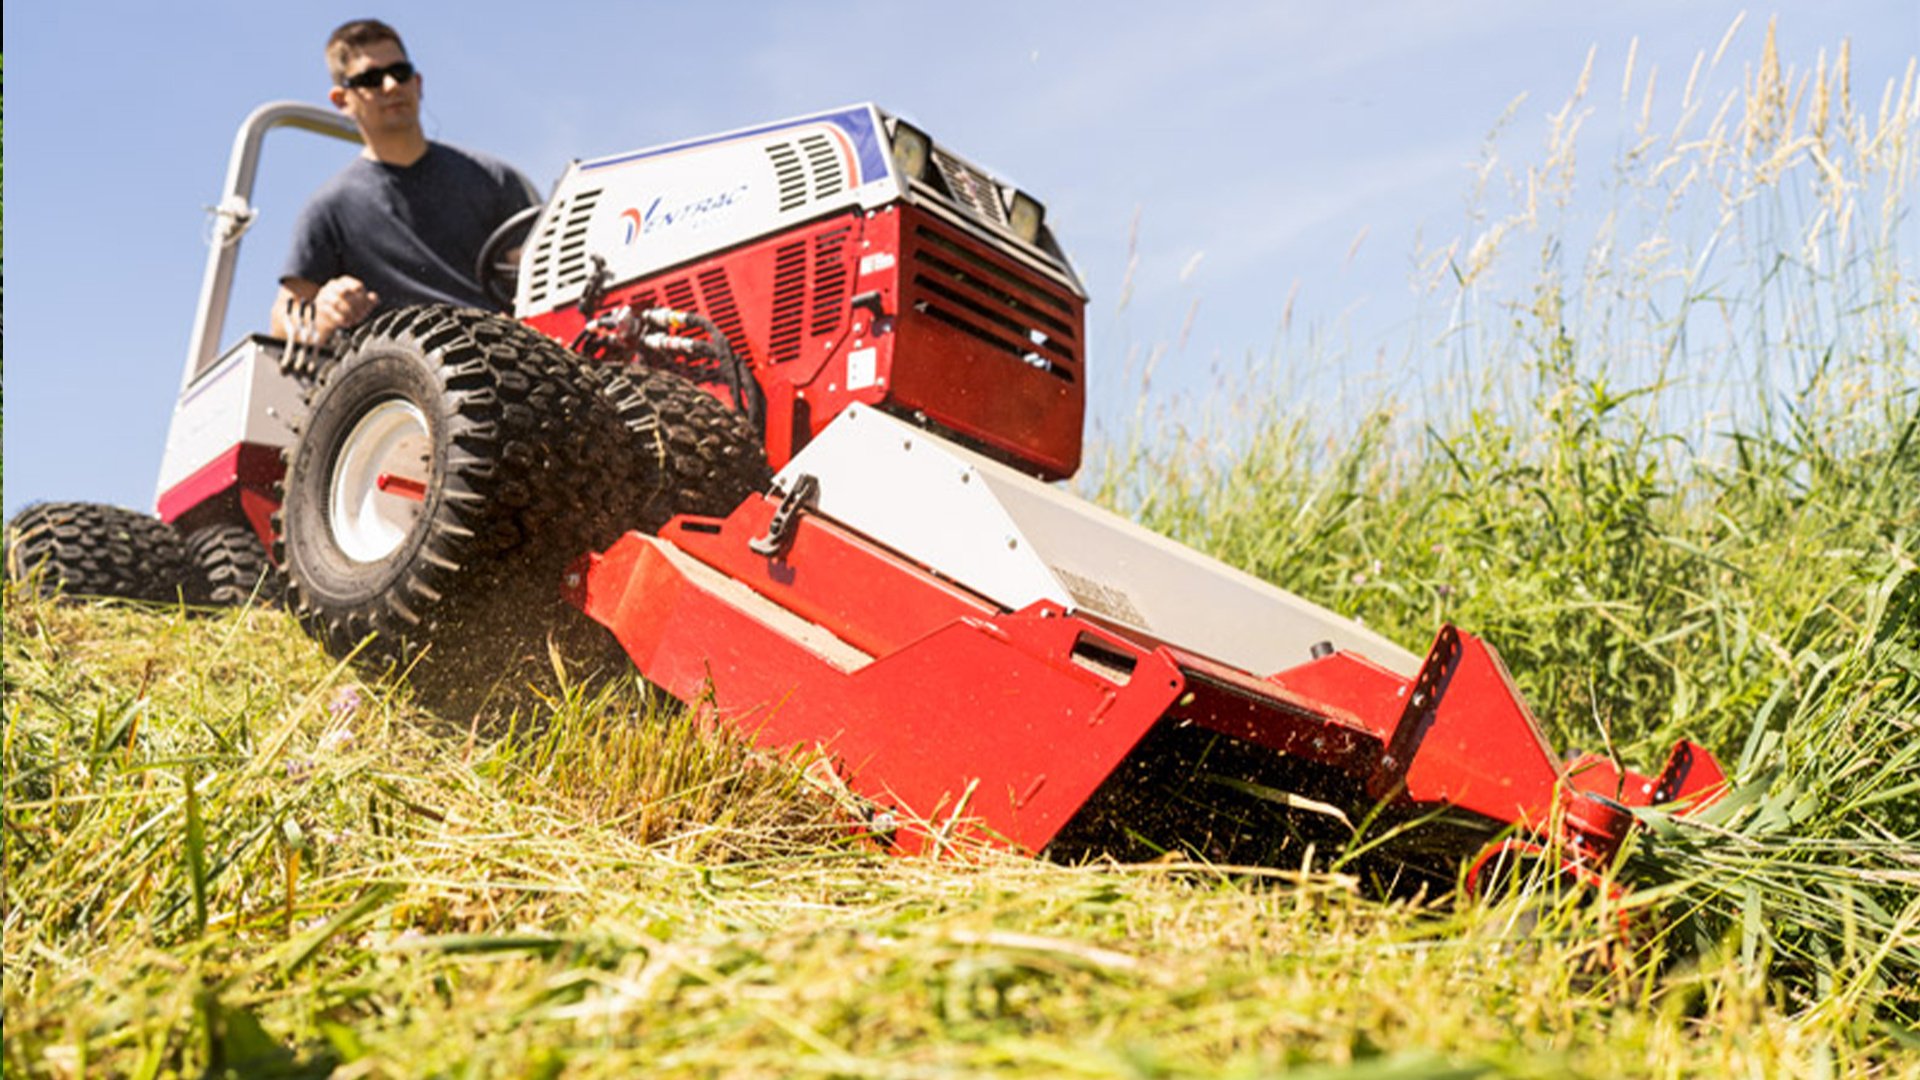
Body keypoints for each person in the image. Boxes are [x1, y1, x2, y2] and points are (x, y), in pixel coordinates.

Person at [271, 19, 539, 344]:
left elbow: (534, 280)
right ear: (342, 100)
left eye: (400, 73)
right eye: (371, 79)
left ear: (418, 82)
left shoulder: (493, 177)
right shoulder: (329, 209)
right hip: (393, 382)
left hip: (503, 358)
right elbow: (285, 319)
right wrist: (324, 313)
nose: (391, 86)